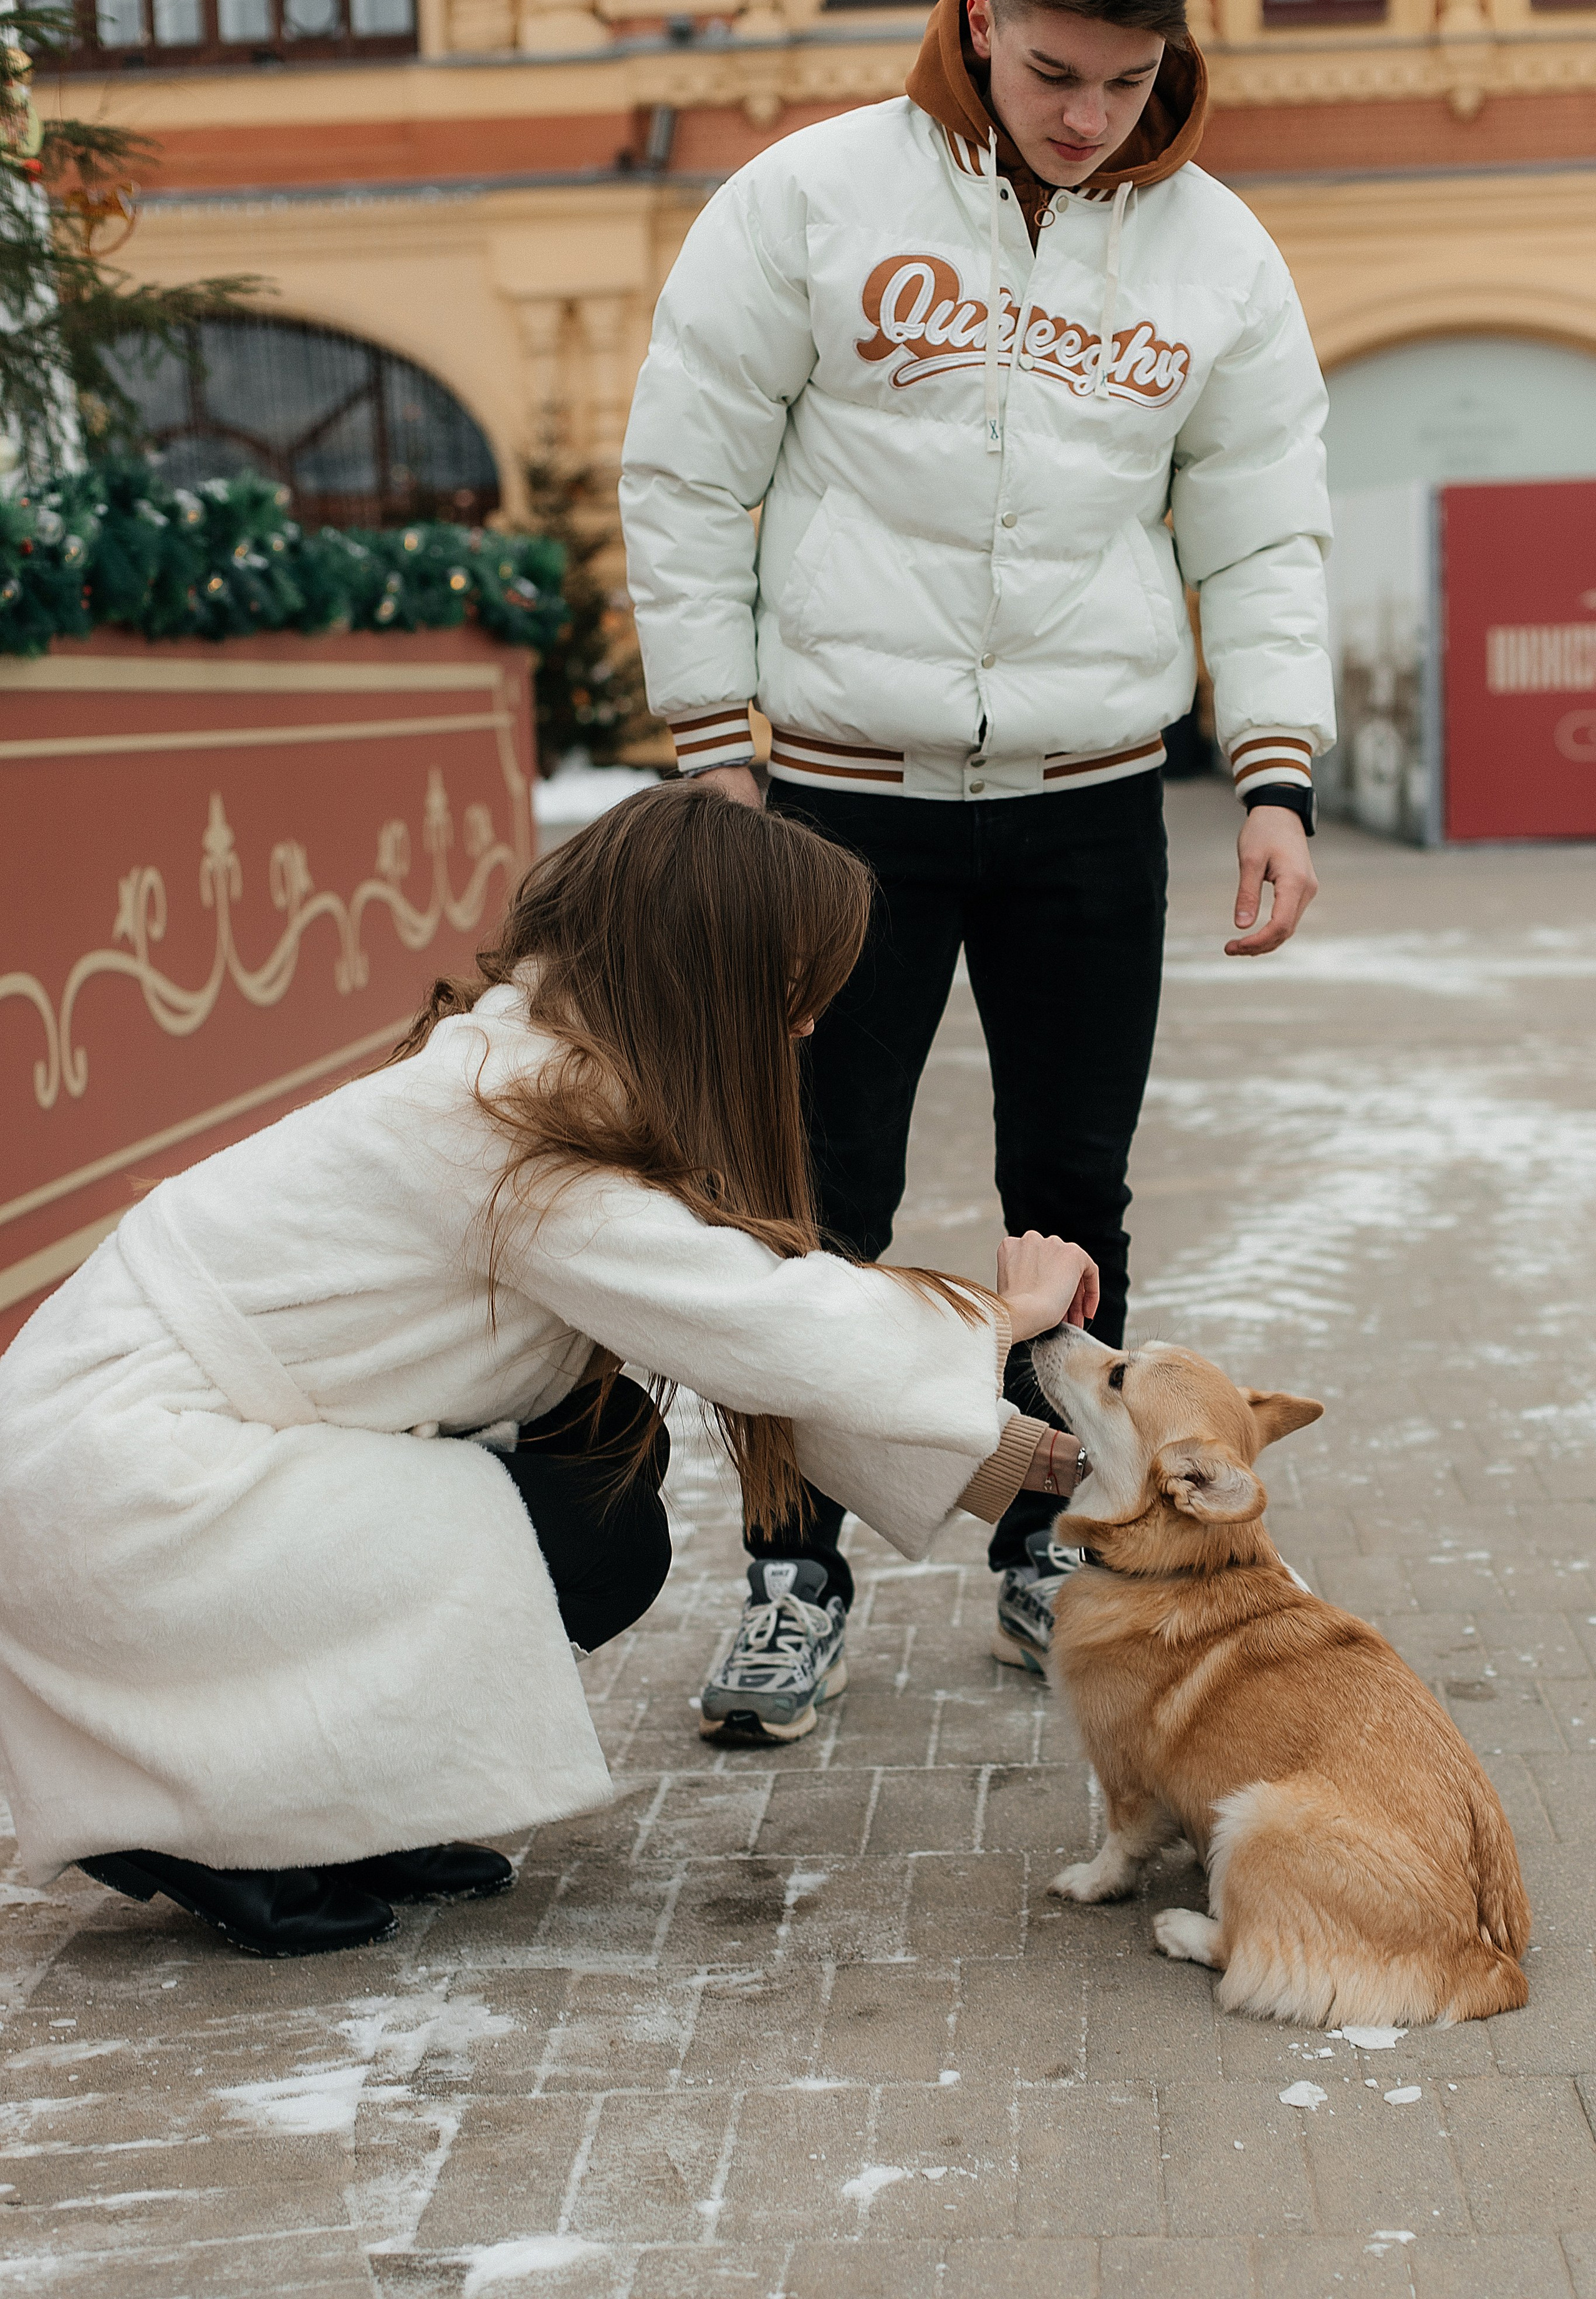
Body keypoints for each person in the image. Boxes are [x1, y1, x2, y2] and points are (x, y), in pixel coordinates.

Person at [619, 0, 1334, 1732]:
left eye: (1128, 80)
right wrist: (718, 753)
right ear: (979, 13)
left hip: (1094, 811)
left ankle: (1044, 1548)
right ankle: (794, 1575)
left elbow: (1258, 527)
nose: (1088, 117)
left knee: (1073, 1200)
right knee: (809, 1216)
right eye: (1050, 73)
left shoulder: (1218, 254)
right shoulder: (809, 202)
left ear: (1170, 54)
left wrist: (1272, 770)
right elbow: (692, 471)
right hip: (843, 810)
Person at [0, 784, 1096, 1958]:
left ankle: (337, 1803)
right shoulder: (514, 1124)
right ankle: (207, 1820)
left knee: (599, 1445)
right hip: (120, 1494)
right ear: (709, 978)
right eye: (793, 993)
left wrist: (1049, 1460)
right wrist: (998, 1314)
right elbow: (763, 1320)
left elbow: (735, 1350)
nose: (811, 1028)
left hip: (145, 1466)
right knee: (594, 1515)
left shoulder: (543, 1076)